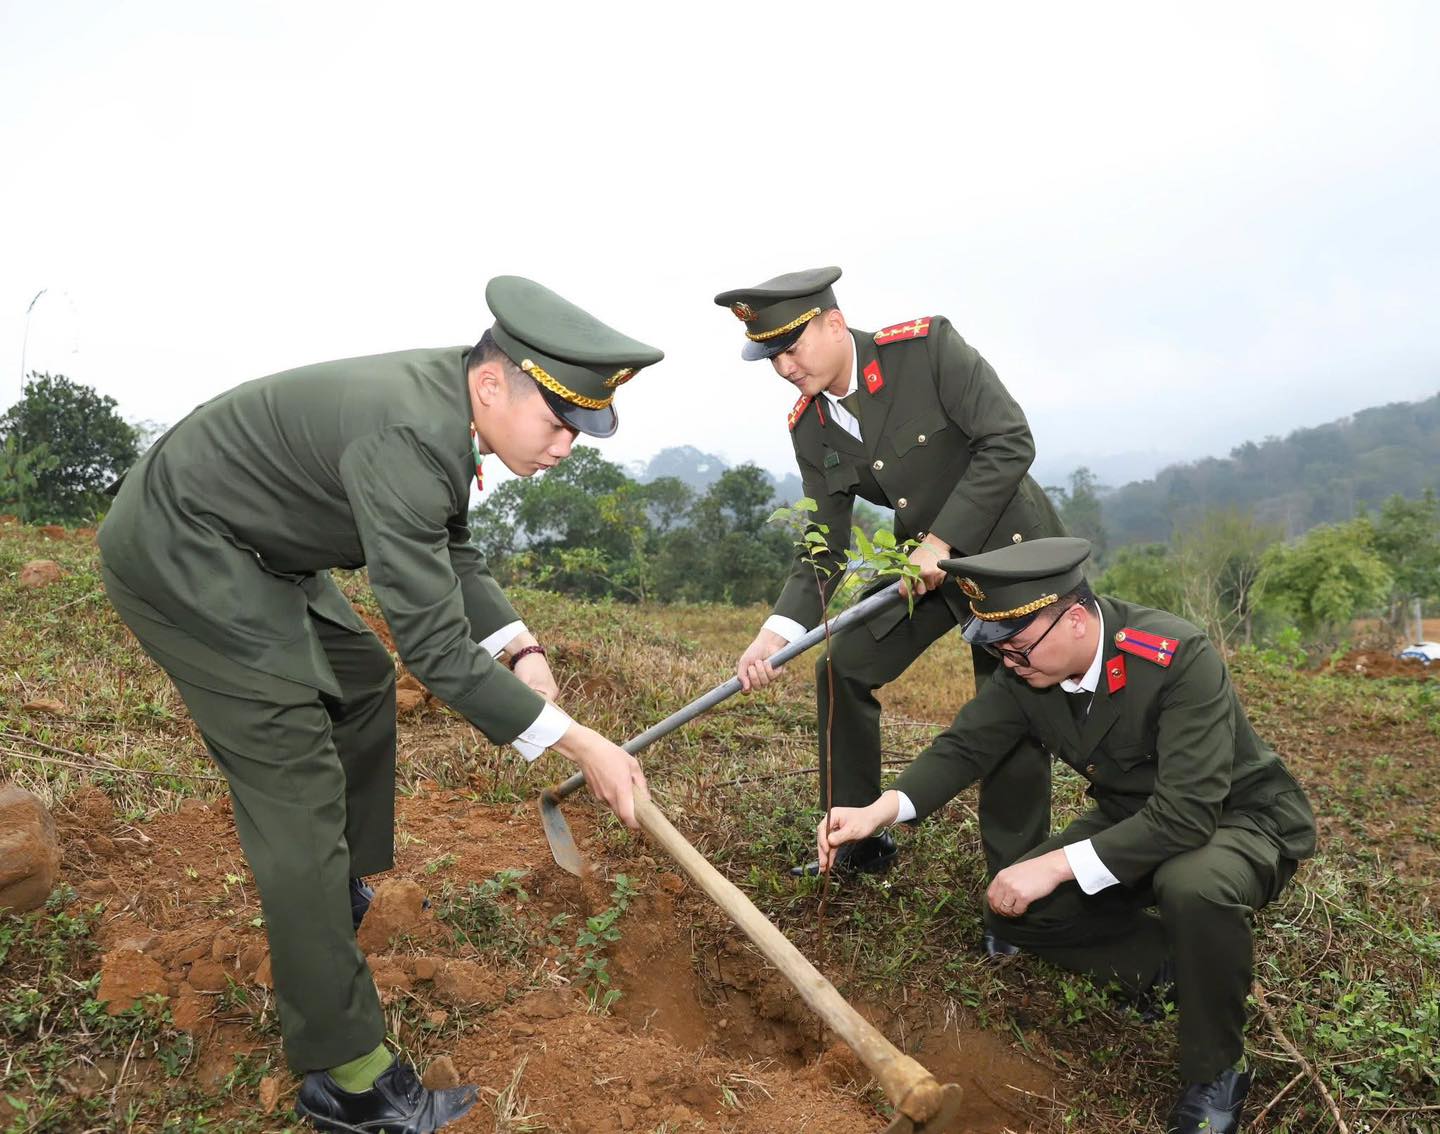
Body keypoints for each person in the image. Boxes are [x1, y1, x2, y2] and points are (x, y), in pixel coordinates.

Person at [97, 276, 664, 1134]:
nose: (565, 450)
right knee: (295, 788)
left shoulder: (445, 410)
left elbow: (450, 545)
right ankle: (348, 1076)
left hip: (256, 544)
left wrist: (522, 649)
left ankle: (337, 896)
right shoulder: (409, 434)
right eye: (558, 425)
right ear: (491, 385)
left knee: (358, 677)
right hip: (189, 551)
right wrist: (577, 741)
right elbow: (432, 652)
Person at [817, 537, 1317, 1134]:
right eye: (997, 648)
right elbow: (964, 746)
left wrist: (1054, 865)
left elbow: (1187, 813)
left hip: (1235, 816)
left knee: (1193, 886)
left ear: (1074, 619)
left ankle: (1216, 1070)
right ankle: (1181, 971)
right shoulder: (1026, 669)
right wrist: (880, 809)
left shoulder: (1175, 654)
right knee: (1012, 912)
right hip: (1131, 815)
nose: (1008, 662)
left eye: (1017, 648)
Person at [713, 267, 1065, 917]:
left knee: (1008, 709)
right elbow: (826, 542)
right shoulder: (810, 426)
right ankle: (856, 838)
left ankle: (1017, 891)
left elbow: (1010, 440)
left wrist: (945, 541)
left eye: (793, 347)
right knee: (843, 664)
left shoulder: (925, 351)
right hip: (924, 567)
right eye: (772, 357)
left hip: (1013, 555)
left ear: (835, 324)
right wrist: (775, 631)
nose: (785, 366)